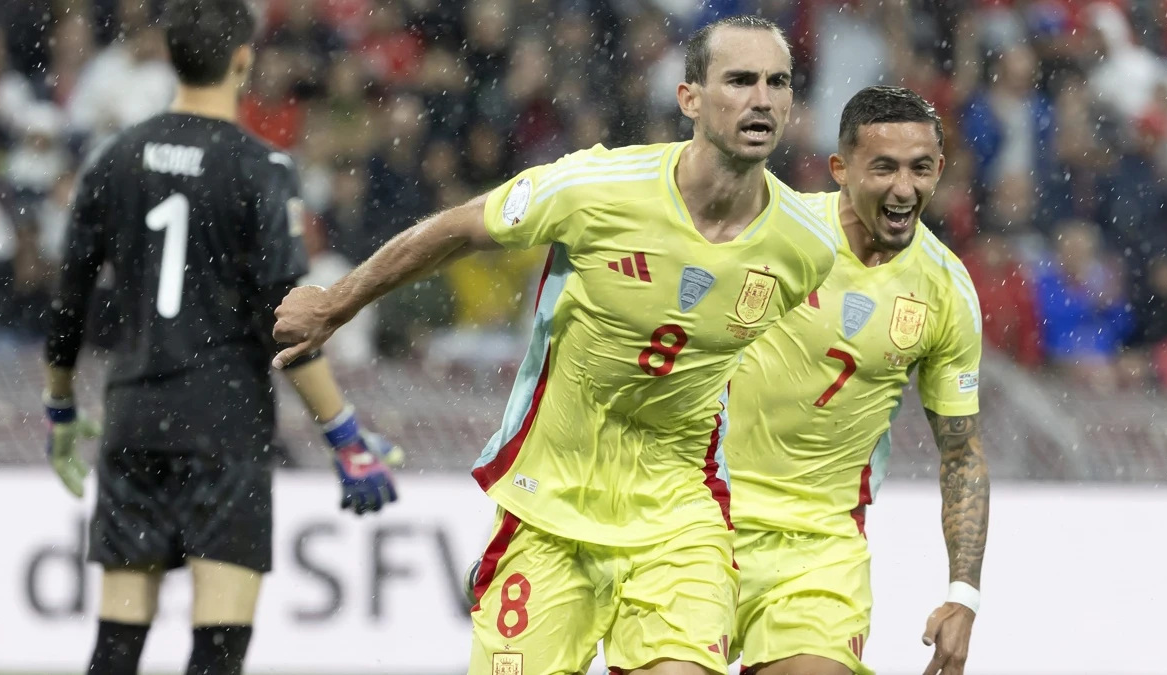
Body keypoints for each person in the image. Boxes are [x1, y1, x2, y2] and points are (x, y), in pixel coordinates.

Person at [272, 15, 838, 675]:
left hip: (679, 518)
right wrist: (334, 305)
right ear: (690, 99)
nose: (762, 98)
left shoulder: (806, 247)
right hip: (548, 509)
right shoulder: (597, 189)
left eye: (778, 82)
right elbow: (458, 228)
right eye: (740, 80)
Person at [41, 2, 402, 675]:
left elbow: (68, 305)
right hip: (224, 422)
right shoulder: (260, 166)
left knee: (116, 646)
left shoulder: (113, 158)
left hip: (133, 417)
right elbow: (289, 321)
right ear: (243, 58)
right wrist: (344, 433)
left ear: (172, 56)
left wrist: (62, 406)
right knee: (218, 649)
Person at [725, 86, 990, 675]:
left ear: (940, 170)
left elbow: (961, 452)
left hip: (821, 546)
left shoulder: (946, 289)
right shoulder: (770, 231)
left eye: (921, 168)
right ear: (840, 169)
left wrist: (963, 594)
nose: (905, 188)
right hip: (700, 518)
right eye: (885, 168)